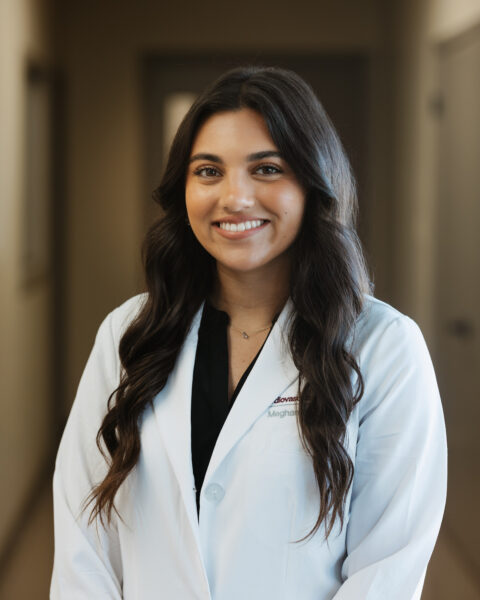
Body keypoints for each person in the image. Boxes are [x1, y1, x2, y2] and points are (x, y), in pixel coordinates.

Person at [50, 66, 447, 600]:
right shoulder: (130, 333)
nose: (234, 198)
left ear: (312, 182)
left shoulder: (383, 348)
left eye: (266, 169)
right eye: (208, 171)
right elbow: (83, 543)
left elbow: (388, 567)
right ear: (182, 189)